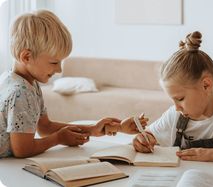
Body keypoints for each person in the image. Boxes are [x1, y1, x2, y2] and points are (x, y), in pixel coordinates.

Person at [0, 10, 147, 158]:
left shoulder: (20, 81)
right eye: (54, 62)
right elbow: (22, 150)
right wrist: (58, 139)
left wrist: (93, 129)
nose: (59, 69)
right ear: (27, 57)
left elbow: (45, 127)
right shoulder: (20, 92)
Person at [132, 31, 213, 165]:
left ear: (206, 85)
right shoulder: (174, 116)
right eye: (173, 100)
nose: (176, 107)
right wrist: (142, 140)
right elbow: (150, 136)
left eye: (180, 99)